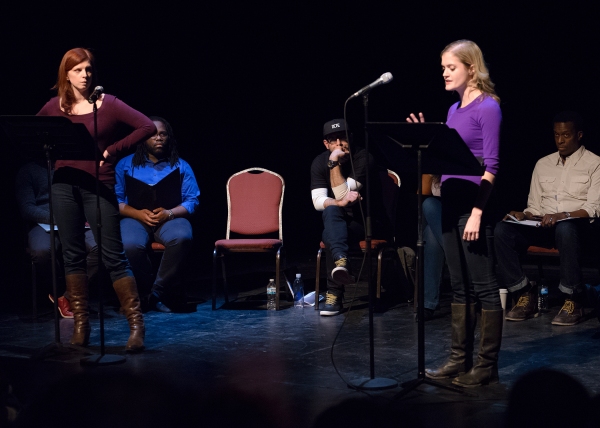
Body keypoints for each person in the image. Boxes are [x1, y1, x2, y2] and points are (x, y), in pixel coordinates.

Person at [36, 48, 155, 352]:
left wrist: (112, 151)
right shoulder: (55, 107)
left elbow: (146, 126)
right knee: (72, 255)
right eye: (78, 70)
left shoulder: (108, 104)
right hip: (64, 185)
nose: (85, 75)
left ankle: (136, 326)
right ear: (66, 75)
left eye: (88, 69)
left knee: (114, 256)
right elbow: (35, 134)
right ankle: (80, 326)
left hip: (98, 185)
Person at [407, 40, 503, 387]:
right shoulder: (452, 111)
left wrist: (477, 212)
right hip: (449, 204)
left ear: (471, 68)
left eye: (451, 67)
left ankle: (486, 366)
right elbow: (446, 159)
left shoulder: (488, 107)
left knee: (483, 286)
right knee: (459, 287)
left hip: (472, 206)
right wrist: (423, 138)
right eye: (443, 67)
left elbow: (491, 166)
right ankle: (457, 359)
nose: (445, 73)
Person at [495, 111, 600, 326]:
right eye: (556, 135)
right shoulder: (543, 163)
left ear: (578, 135)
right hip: (543, 224)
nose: (560, 140)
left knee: (565, 228)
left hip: (579, 229)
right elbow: (534, 206)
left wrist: (564, 216)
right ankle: (524, 292)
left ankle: (573, 299)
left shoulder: (595, 163)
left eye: (566, 135)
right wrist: (522, 215)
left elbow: (593, 208)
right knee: (502, 230)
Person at [115, 116, 200, 313]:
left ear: (168, 138)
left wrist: (169, 213)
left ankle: (156, 293)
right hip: (135, 217)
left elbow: (192, 200)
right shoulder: (126, 165)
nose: (158, 138)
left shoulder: (181, 165)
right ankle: (145, 291)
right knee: (129, 244)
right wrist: (137, 213)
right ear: (143, 138)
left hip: (169, 217)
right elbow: (116, 200)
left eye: (163, 134)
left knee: (182, 237)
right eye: (153, 134)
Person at [310, 119, 388, 316]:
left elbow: (341, 193)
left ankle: (334, 292)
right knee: (331, 215)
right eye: (333, 140)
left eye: (342, 137)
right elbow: (318, 201)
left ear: (350, 138)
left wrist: (334, 161)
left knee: (331, 232)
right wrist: (338, 203)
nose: (339, 143)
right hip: (341, 225)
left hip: (367, 223)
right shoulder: (318, 162)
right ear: (325, 144)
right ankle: (341, 261)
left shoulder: (363, 158)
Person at [16, 160, 98, 318]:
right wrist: (57, 218)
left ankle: (67, 296)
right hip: (44, 222)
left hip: (76, 220)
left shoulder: (73, 166)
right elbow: (27, 208)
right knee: (41, 251)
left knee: (100, 247)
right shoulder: (28, 170)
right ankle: (59, 291)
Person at [421, 175, 445, 321]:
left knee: (431, 234)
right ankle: (457, 259)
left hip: (467, 214)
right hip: (441, 216)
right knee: (429, 203)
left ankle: (428, 303)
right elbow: (422, 194)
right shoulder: (437, 168)